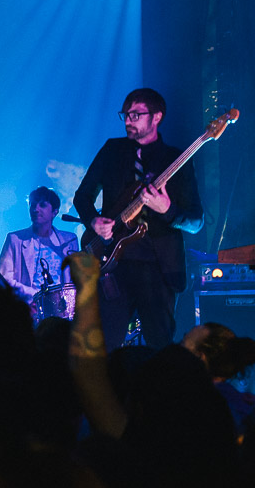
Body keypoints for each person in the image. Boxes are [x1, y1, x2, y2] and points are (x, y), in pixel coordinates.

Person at [73, 88, 204, 351]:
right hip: (113, 266)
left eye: (135, 115)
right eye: (125, 115)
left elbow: (196, 221)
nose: (128, 121)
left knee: (160, 348)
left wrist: (166, 209)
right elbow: (82, 197)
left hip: (158, 268)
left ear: (157, 117)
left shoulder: (175, 159)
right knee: (104, 346)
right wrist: (94, 222)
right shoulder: (112, 150)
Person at [0, 186, 79, 303]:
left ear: (54, 212)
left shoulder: (69, 241)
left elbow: (74, 280)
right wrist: (37, 296)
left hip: (63, 309)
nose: (36, 209)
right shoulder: (15, 239)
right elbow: (3, 278)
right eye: (32, 204)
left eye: (42, 205)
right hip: (27, 308)